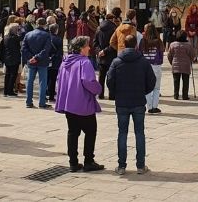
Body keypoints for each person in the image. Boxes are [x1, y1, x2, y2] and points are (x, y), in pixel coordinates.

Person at [107, 33, 156, 175]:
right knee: (139, 133)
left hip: (122, 102)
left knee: (122, 133)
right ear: (136, 45)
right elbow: (151, 81)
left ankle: (121, 166)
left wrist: (117, 93)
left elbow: (110, 81)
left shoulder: (116, 62)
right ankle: (141, 166)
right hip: (138, 101)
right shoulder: (143, 62)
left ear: (124, 44)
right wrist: (143, 91)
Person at [55, 35, 104, 173]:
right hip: (83, 103)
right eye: (87, 45)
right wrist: (99, 89)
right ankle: (88, 161)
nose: (89, 48)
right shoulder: (84, 62)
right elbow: (88, 81)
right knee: (90, 131)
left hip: (68, 103)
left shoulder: (65, 62)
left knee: (73, 132)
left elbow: (59, 81)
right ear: (81, 48)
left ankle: (73, 162)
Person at [21, 17, 53, 109]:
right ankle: (42, 103)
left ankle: (28, 102)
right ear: (44, 25)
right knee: (42, 82)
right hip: (42, 61)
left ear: (36, 23)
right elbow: (46, 49)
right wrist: (36, 57)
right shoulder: (46, 35)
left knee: (30, 81)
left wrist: (31, 58)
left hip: (31, 62)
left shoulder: (28, 34)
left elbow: (23, 49)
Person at [138, 23, 164, 114]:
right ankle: (154, 107)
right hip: (156, 66)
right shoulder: (158, 41)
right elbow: (161, 55)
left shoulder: (143, 41)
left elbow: (139, 54)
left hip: (145, 66)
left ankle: (148, 106)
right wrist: (159, 61)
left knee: (147, 87)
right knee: (156, 88)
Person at [95, 12, 119, 99]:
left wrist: (99, 51)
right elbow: (113, 43)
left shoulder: (98, 28)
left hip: (101, 56)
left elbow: (95, 42)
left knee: (101, 76)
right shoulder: (114, 29)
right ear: (112, 19)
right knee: (111, 76)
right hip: (111, 55)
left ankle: (100, 94)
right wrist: (105, 50)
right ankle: (111, 95)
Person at [167, 30, 195, 100]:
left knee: (176, 81)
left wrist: (172, 62)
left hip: (175, 65)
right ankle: (185, 96)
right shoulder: (188, 45)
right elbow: (192, 55)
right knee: (186, 81)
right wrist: (190, 61)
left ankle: (176, 95)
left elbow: (169, 55)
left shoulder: (172, 44)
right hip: (186, 65)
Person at [0, 23, 22, 97]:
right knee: (13, 75)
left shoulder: (5, 38)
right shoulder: (15, 38)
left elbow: (1, 50)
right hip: (14, 59)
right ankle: (10, 90)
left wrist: (2, 58)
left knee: (7, 75)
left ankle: (6, 91)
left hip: (7, 58)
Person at [48, 24, 64, 103]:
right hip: (55, 61)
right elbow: (60, 52)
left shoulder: (46, 37)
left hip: (46, 59)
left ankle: (45, 94)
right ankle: (51, 95)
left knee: (46, 78)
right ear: (56, 30)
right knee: (53, 78)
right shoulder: (58, 39)